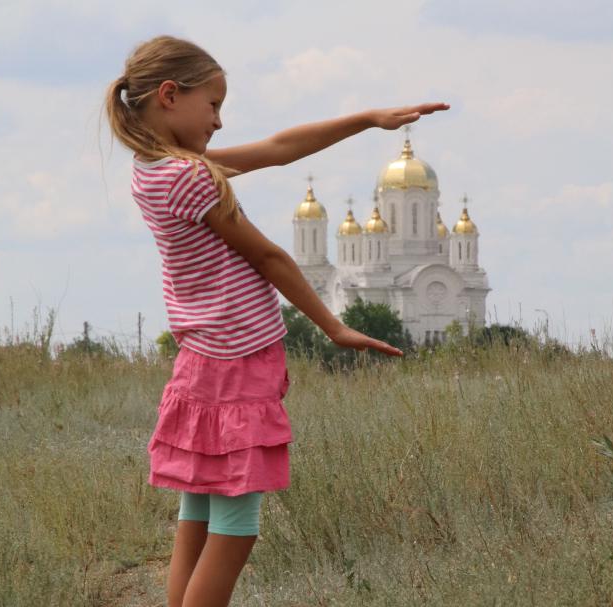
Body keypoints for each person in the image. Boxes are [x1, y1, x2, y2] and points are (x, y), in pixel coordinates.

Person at [104, 35, 448, 607]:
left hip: (200, 362)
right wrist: (333, 326)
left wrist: (367, 119)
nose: (218, 120)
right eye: (212, 104)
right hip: (237, 363)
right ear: (169, 96)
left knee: (198, 511)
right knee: (237, 527)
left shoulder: (156, 169)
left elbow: (279, 148)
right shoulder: (192, 177)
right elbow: (268, 256)